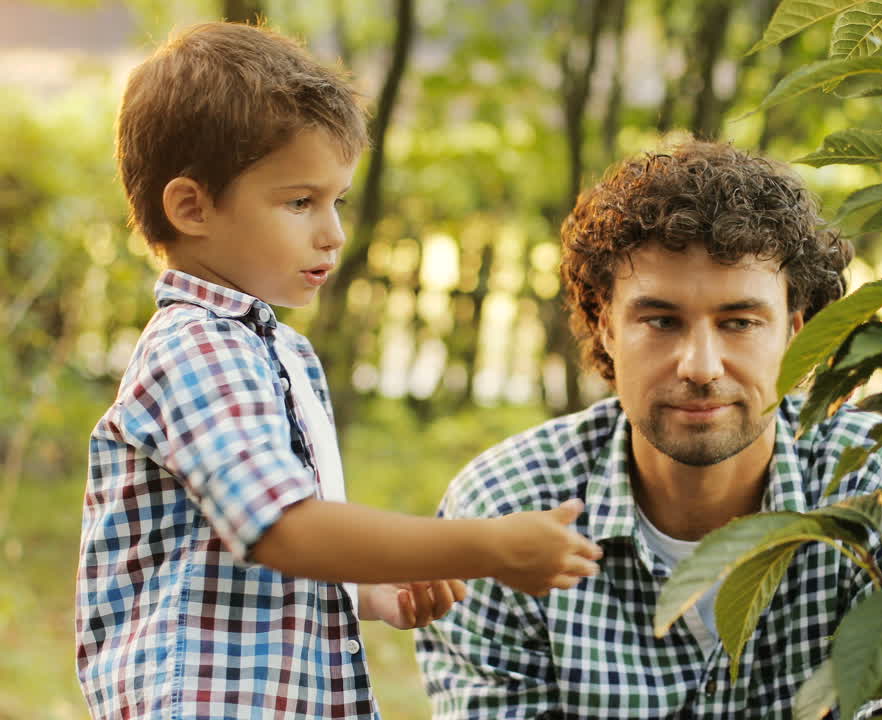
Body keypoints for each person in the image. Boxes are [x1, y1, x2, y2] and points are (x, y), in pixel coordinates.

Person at [74, 22, 601, 720]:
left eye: (337, 201)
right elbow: (285, 529)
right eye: (300, 202)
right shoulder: (196, 347)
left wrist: (363, 591)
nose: (334, 232)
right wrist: (491, 546)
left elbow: (250, 553)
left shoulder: (276, 351)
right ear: (191, 207)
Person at [415, 140, 882, 719]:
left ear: (794, 331)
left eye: (740, 322)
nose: (701, 367)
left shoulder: (879, 490)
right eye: (661, 321)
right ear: (603, 323)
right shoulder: (503, 509)